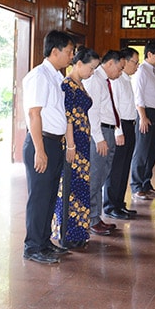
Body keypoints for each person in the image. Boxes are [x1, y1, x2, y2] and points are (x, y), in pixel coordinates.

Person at [22, 30, 74, 264]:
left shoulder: (55, 76)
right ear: (55, 51)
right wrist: (39, 150)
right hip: (40, 142)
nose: (72, 56)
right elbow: (35, 114)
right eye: (69, 51)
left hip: (54, 142)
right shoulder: (39, 76)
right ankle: (32, 246)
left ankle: (44, 242)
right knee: (39, 197)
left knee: (50, 195)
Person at [52, 46, 100, 249]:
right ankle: (66, 234)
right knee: (70, 187)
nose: (92, 73)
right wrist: (70, 145)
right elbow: (68, 117)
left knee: (80, 187)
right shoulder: (67, 85)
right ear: (79, 64)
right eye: (91, 68)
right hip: (73, 143)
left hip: (82, 141)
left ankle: (79, 231)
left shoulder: (80, 84)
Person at [83, 50, 125, 235]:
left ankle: (96, 217)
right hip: (100, 133)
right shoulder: (94, 80)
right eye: (120, 68)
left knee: (102, 176)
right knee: (95, 177)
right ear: (109, 64)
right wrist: (99, 138)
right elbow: (92, 112)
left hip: (108, 130)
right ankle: (90, 219)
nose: (121, 72)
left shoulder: (104, 81)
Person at [103, 47, 140, 219]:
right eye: (135, 62)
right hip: (121, 127)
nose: (137, 66)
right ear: (124, 62)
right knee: (116, 168)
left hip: (129, 125)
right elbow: (114, 108)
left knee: (125, 167)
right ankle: (110, 206)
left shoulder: (126, 80)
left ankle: (119, 203)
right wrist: (118, 131)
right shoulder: (116, 81)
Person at [130, 41, 155, 200]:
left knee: (151, 151)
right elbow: (138, 96)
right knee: (142, 151)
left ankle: (146, 183)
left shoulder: (154, 70)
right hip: (146, 114)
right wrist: (143, 117)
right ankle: (137, 186)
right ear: (149, 54)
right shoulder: (141, 71)